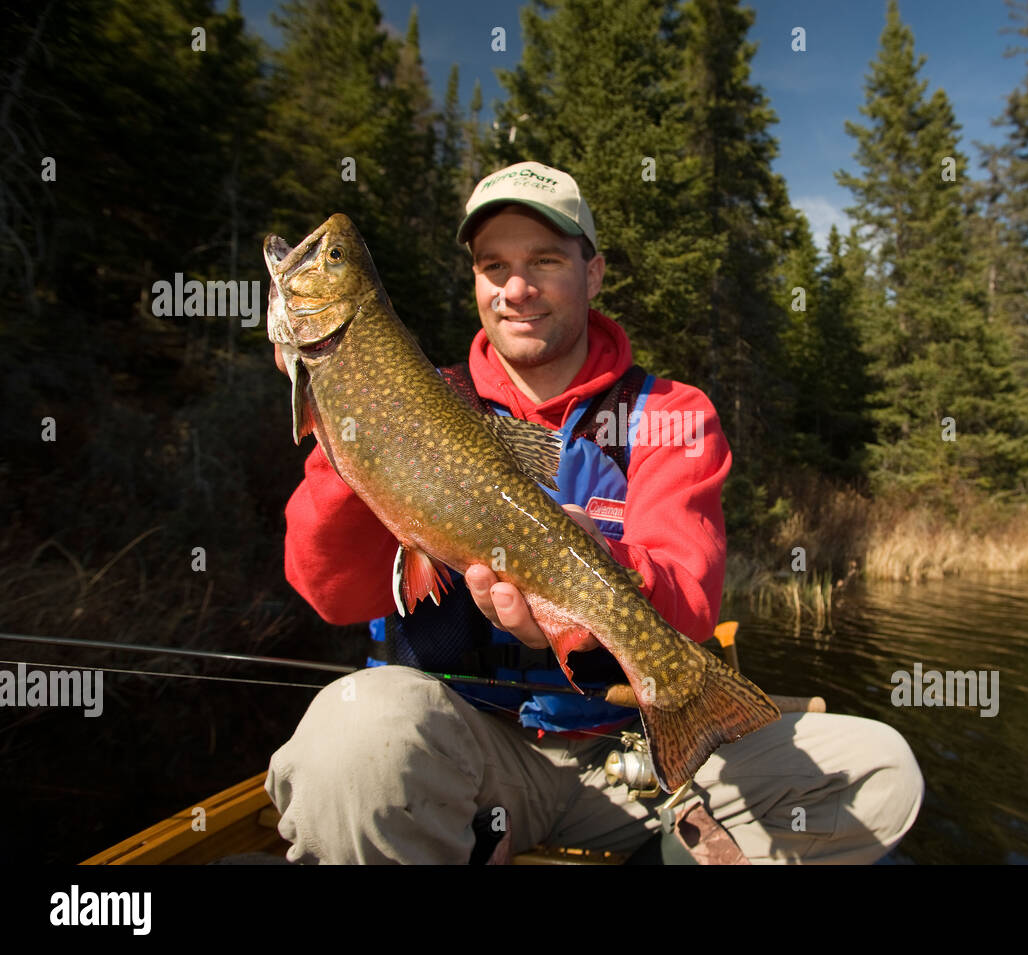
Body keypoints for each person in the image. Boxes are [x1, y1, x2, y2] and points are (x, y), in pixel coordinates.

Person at [265, 161, 923, 864]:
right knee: (350, 732)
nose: (517, 289)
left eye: (545, 260)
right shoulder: (416, 395)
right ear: (477, 281)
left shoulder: (672, 413)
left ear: (595, 273)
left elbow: (691, 603)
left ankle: (653, 844)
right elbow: (328, 593)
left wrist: (591, 575)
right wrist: (355, 427)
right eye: (495, 266)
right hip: (469, 756)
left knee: (882, 772)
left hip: (632, 754)